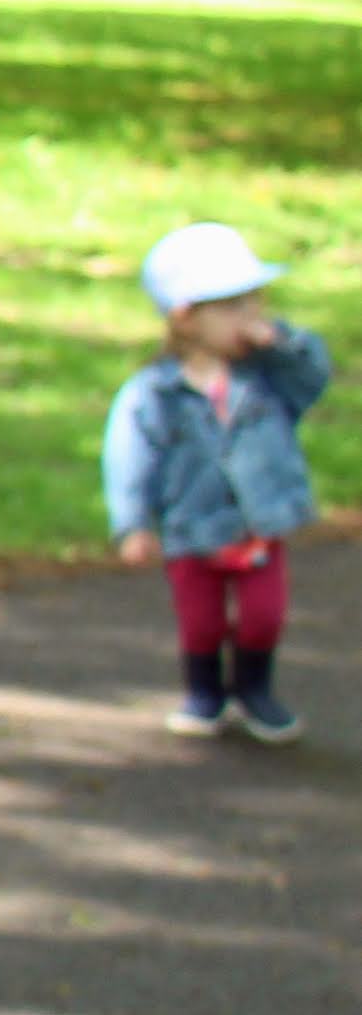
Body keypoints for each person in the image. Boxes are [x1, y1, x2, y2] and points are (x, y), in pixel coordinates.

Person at [107, 223, 326, 742]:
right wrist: (133, 523)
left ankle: (255, 690)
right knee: (201, 621)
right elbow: (130, 458)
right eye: (233, 308)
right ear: (186, 318)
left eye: (256, 304)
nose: (251, 320)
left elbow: (314, 377)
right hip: (191, 526)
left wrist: (282, 341)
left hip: (258, 525)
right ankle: (204, 692)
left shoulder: (270, 377)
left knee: (263, 616)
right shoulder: (155, 392)